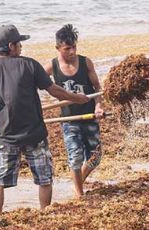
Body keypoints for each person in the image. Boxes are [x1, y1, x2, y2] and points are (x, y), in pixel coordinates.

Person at [0, 24, 89, 215]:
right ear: (11, 46)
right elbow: (54, 91)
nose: (21, 48)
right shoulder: (29, 64)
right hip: (35, 135)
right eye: (19, 44)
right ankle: (44, 213)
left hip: (6, 135)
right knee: (45, 178)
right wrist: (77, 98)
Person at [43, 24, 104, 199]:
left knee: (96, 157)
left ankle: (78, 182)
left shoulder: (85, 62)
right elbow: (36, 83)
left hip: (89, 116)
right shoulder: (51, 66)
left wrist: (99, 106)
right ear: (58, 48)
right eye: (67, 48)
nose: (72, 51)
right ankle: (79, 194)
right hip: (69, 120)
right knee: (75, 157)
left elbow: (97, 88)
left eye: (74, 47)